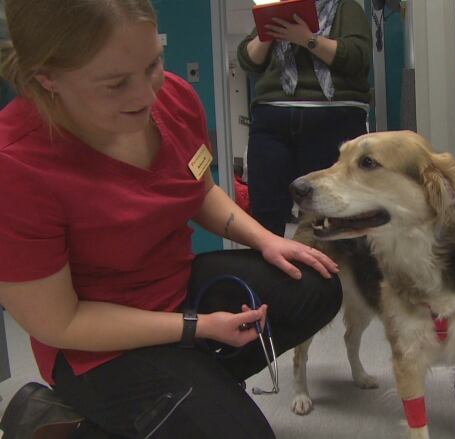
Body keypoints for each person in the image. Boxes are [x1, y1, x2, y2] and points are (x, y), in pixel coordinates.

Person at [0, 1, 342, 437]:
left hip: (174, 288)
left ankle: (188, 393)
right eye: (115, 84)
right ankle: (75, 424)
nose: (146, 94)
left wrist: (265, 239)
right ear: (47, 78)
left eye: (153, 64)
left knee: (315, 284)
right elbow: (59, 322)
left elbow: (199, 189)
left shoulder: (174, 97)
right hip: (95, 344)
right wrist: (195, 329)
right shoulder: (15, 165)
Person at [238, 0, 372, 237]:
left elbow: (357, 58)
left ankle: (333, 272)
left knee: (332, 212)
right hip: (273, 116)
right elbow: (248, 60)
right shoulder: (277, 9)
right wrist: (268, 32)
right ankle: (272, 271)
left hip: (332, 116)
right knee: (266, 213)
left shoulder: (346, 7)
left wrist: (307, 39)